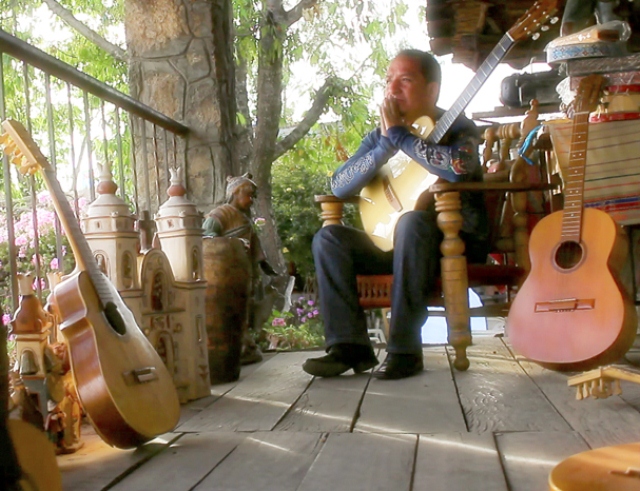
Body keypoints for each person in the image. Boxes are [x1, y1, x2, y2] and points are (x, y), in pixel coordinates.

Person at [303, 49, 489, 380]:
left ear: (431, 90)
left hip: (450, 242)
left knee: (413, 221)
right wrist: (385, 146)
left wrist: (402, 138)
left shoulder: (458, 126)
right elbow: (340, 185)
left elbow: (459, 167)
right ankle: (348, 347)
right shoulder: (381, 135)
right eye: (389, 80)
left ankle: (404, 350)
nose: (392, 89)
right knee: (328, 238)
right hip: (395, 246)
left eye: (405, 80)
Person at [203, 173, 278, 365]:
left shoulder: (244, 218)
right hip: (225, 272)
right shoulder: (220, 214)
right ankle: (237, 348)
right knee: (230, 310)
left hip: (244, 271)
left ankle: (245, 346)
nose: (251, 200)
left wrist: (261, 265)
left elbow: (254, 244)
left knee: (246, 308)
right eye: (249, 195)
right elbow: (207, 238)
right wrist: (230, 246)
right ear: (236, 193)